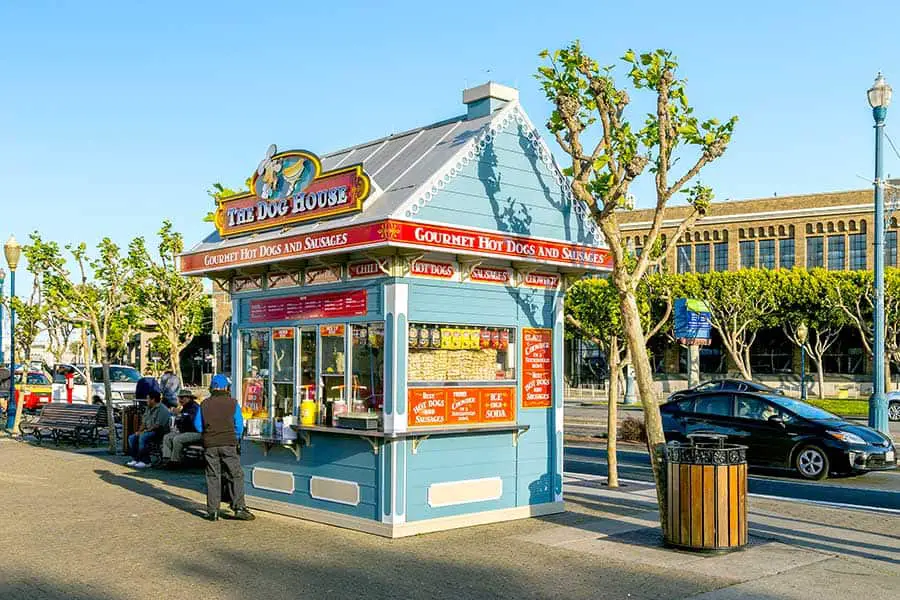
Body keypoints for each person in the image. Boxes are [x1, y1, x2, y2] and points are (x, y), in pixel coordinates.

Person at [194, 374, 254, 521]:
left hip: (210, 444)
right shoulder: (233, 403)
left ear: (212, 387)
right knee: (235, 475)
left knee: (213, 476)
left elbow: (197, 425)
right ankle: (238, 507)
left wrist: (208, 433)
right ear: (226, 387)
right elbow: (239, 425)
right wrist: (236, 437)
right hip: (228, 443)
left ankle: (213, 511)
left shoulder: (204, 404)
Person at [126, 387, 171, 469]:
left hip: (159, 432)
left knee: (143, 437)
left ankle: (146, 461)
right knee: (132, 437)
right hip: (149, 430)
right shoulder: (148, 408)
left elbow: (157, 425)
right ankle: (136, 458)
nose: (146, 401)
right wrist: (139, 431)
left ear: (153, 400)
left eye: (148, 399)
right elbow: (144, 422)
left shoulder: (162, 409)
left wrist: (144, 432)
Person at [161, 389, 201, 468]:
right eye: (180, 398)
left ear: (189, 398)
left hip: (196, 432)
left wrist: (179, 414)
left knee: (177, 439)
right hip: (185, 432)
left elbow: (191, 419)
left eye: (183, 398)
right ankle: (166, 459)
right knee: (167, 437)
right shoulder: (184, 407)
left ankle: (175, 461)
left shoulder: (194, 407)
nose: (180, 400)